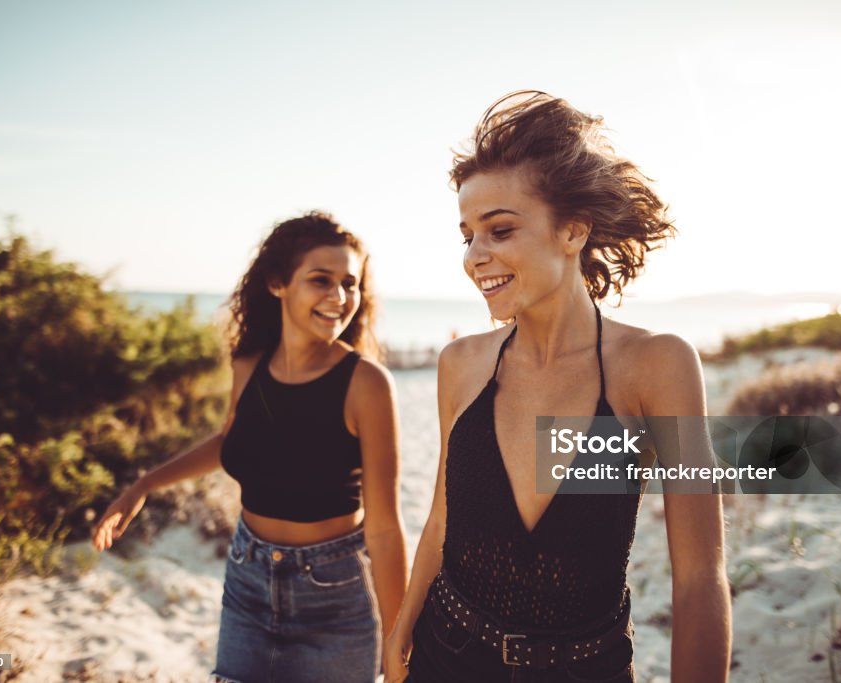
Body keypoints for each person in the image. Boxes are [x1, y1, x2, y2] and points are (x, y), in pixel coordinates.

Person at [383, 92, 732, 682]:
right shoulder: (461, 364)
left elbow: (700, 575)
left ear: (572, 232)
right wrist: (402, 626)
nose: (475, 256)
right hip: (447, 653)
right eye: (467, 234)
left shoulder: (655, 365)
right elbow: (444, 512)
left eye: (499, 230)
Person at [92, 212, 407, 683]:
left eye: (350, 283)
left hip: (334, 594)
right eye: (320, 280)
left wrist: (397, 645)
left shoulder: (367, 385)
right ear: (278, 283)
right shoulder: (249, 364)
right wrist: (145, 484)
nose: (339, 298)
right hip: (247, 578)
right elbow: (233, 443)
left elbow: (383, 530)